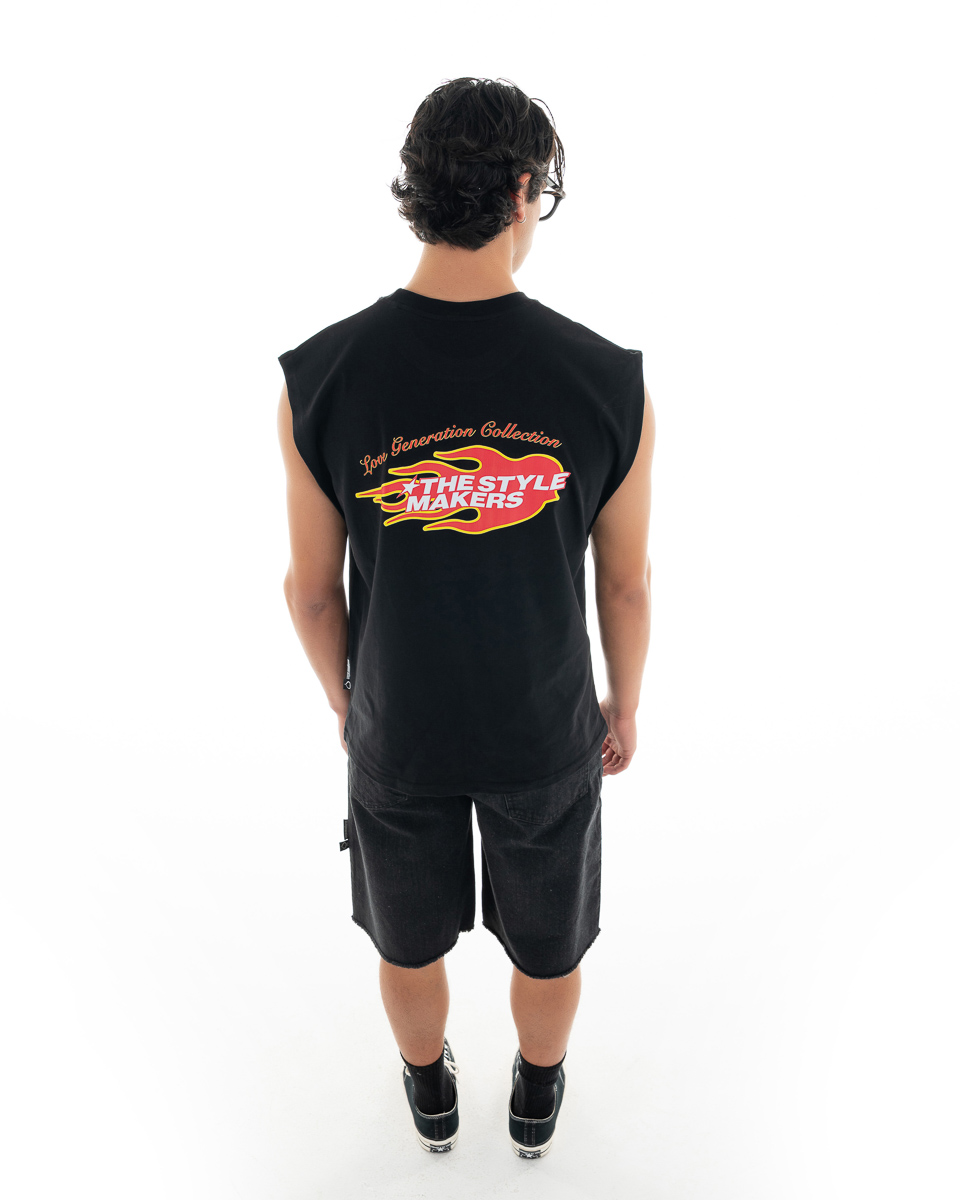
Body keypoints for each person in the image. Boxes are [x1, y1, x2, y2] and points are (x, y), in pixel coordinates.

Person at [276, 76, 655, 1159]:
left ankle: (428, 1094)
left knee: (406, 944)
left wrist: (350, 705)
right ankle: (537, 1095)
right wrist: (623, 705)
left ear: (416, 190)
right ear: (524, 190)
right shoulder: (608, 381)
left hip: (399, 729)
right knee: (550, 948)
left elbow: (310, 590)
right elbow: (625, 586)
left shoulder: (321, 376)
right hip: (545, 729)